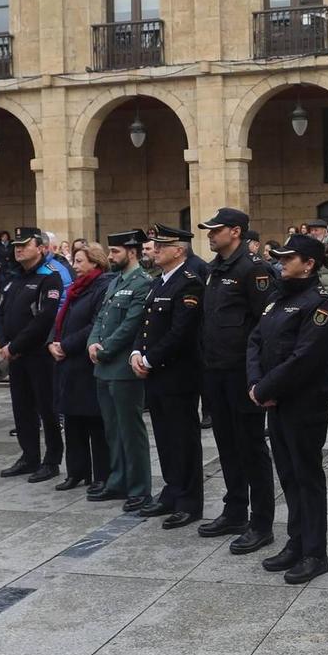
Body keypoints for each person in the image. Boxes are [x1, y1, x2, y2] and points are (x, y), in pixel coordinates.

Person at [250, 232, 328, 583]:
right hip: (275, 401)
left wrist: (266, 387)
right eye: (279, 257)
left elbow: (305, 358)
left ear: (309, 264)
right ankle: (296, 541)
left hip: (304, 403)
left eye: (288, 258)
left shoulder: (319, 304)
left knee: (307, 476)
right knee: (287, 474)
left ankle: (315, 552)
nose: (280, 263)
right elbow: (255, 340)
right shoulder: (277, 297)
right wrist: (256, 385)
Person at [193, 207, 278, 551]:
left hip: (242, 374)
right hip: (215, 371)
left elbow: (265, 326)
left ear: (236, 232)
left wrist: (259, 376)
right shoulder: (214, 269)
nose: (210, 235)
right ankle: (235, 510)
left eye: (215, 230)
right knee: (226, 445)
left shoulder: (253, 270)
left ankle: (261, 522)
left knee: (251, 447)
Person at [132, 225, 206, 527]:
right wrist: (136, 352)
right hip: (156, 374)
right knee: (164, 436)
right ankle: (171, 491)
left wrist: (149, 358)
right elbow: (145, 324)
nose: (155, 249)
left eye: (162, 245)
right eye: (155, 245)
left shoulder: (189, 283)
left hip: (178, 374)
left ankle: (189, 500)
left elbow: (181, 332)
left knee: (183, 439)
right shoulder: (159, 283)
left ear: (179, 250)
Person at [0, 228, 71, 482]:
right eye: (16, 245)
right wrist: (5, 343)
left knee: (46, 408)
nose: (18, 249)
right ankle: (29, 456)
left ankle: (51, 460)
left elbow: (44, 318)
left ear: (41, 248)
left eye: (24, 245)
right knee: (21, 408)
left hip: (38, 354)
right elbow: (0, 312)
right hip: (16, 356)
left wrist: (15, 346)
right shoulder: (14, 277)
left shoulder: (49, 278)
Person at [88, 230, 153, 507]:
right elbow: (101, 318)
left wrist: (105, 350)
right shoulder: (116, 281)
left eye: (115, 252)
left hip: (123, 368)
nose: (111, 256)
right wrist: (92, 343)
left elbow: (131, 325)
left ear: (132, 252)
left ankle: (139, 487)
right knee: (112, 430)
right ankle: (118, 481)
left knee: (130, 431)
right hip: (104, 367)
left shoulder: (142, 283)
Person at [49, 244, 109, 490]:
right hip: (68, 365)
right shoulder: (75, 288)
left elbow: (96, 324)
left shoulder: (102, 286)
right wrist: (52, 341)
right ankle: (76, 471)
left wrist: (66, 345)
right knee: (72, 421)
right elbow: (60, 317)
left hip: (85, 362)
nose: (75, 266)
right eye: (74, 261)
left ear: (95, 263)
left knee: (94, 422)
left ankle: (102, 474)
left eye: (80, 261)